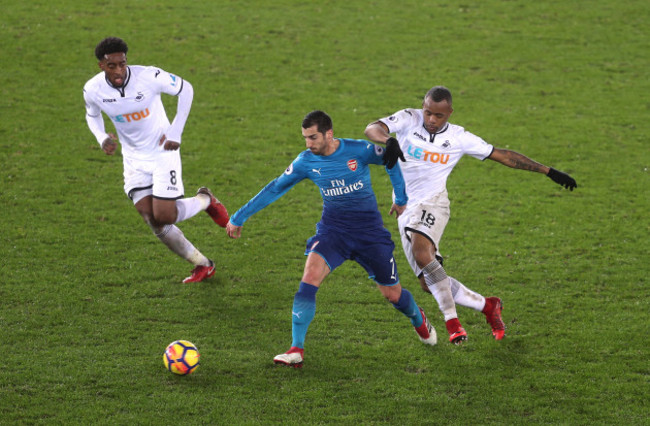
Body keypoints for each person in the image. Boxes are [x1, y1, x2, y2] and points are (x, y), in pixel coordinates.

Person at [365, 86, 578, 344]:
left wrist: (549, 171)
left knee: (423, 253)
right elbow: (372, 128)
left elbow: (504, 156)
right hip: (404, 208)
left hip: (434, 203)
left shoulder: (459, 138)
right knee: (428, 281)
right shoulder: (409, 118)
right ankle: (488, 306)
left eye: (438, 116)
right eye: (428, 112)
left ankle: (453, 323)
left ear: (450, 114)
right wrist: (388, 139)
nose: (431, 120)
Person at [226, 110, 436, 368]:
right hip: (333, 232)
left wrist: (401, 199)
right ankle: (296, 349)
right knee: (309, 278)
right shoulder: (305, 161)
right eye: (305, 138)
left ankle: (418, 319)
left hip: (369, 235)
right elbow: (275, 187)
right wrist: (239, 216)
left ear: (329, 134)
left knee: (393, 295)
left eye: (313, 137)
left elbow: (391, 159)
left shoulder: (358, 150)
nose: (308, 144)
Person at [83, 37, 229, 283]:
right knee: (151, 220)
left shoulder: (148, 77)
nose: (119, 70)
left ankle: (206, 200)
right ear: (101, 66)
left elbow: (186, 89)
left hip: (163, 151)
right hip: (133, 158)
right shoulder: (93, 89)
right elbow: (92, 114)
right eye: (112, 66)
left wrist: (176, 131)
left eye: (123, 64)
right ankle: (202, 264)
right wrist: (101, 137)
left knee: (164, 216)